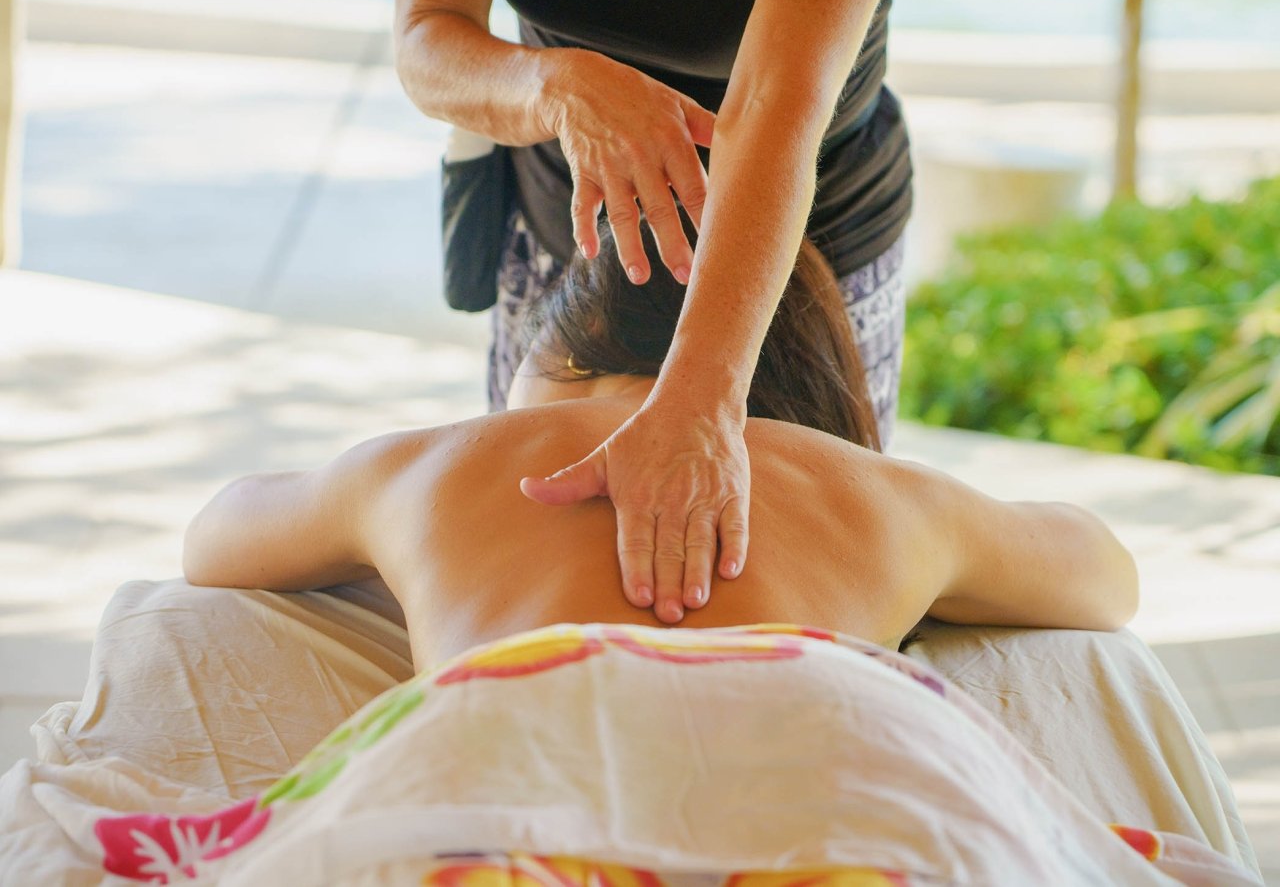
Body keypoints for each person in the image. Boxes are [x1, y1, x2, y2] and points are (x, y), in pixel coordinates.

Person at [183, 226, 1136, 666]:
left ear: (555, 355)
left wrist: (374, 531)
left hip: (506, 805)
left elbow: (215, 538)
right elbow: (1106, 577)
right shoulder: (877, 492)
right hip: (824, 810)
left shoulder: (428, 465)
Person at [393, 0, 913, 617]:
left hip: (802, 234)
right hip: (573, 224)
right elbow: (427, 32)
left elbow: (776, 100)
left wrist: (703, 406)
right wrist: (551, 86)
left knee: (820, 543)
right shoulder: (420, 490)